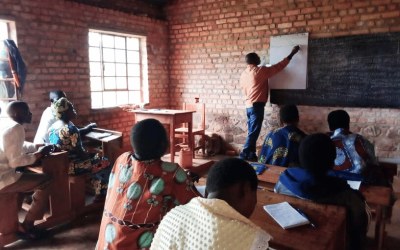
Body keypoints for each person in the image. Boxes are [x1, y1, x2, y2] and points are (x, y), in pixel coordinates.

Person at [96, 119, 201, 250]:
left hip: (106, 245)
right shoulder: (172, 173)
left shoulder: (122, 159)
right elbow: (199, 206)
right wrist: (185, 179)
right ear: (164, 145)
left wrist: (185, 178)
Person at [275, 133, 371, 250]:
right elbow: (359, 226)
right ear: (333, 161)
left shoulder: (283, 182)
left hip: (292, 238)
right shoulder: (347, 196)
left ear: (301, 157)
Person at [150, 158, 271, 250]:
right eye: (255, 196)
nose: (255, 202)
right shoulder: (254, 240)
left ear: (207, 191)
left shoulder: (172, 216)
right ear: (246, 189)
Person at [0, 101, 54, 238]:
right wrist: (40, 154)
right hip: (3, 180)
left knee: (25, 174)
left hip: (3, 174)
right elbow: (15, 162)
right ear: (17, 114)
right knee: (46, 181)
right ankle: (28, 223)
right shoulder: (16, 128)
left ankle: (18, 215)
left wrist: (38, 147)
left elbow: (18, 145)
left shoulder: (5, 124)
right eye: (27, 111)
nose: (31, 114)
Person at [239, 46, 300, 161]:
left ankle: (251, 154)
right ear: (253, 61)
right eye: (257, 58)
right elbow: (278, 67)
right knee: (254, 132)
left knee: (252, 131)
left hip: (248, 105)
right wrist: (292, 54)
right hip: (256, 105)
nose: (259, 59)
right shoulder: (259, 71)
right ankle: (244, 154)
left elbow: (243, 88)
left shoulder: (244, 74)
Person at [47, 97, 111, 197]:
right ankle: (101, 195)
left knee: (96, 159)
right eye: (72, 109)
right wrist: (92, 158)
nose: (74, 110)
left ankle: (96, 187)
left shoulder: (53, 127)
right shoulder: (71, 128)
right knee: (104, 162)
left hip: (60, 163)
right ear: (66, 112)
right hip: (72, 167)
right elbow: (81, 153)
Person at [327, 110, 378, 180]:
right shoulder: (362, 140)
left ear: (330, 127)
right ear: (348, 124)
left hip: (333, 184)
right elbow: (373, 164)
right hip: (362, 185)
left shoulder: (325, 142)